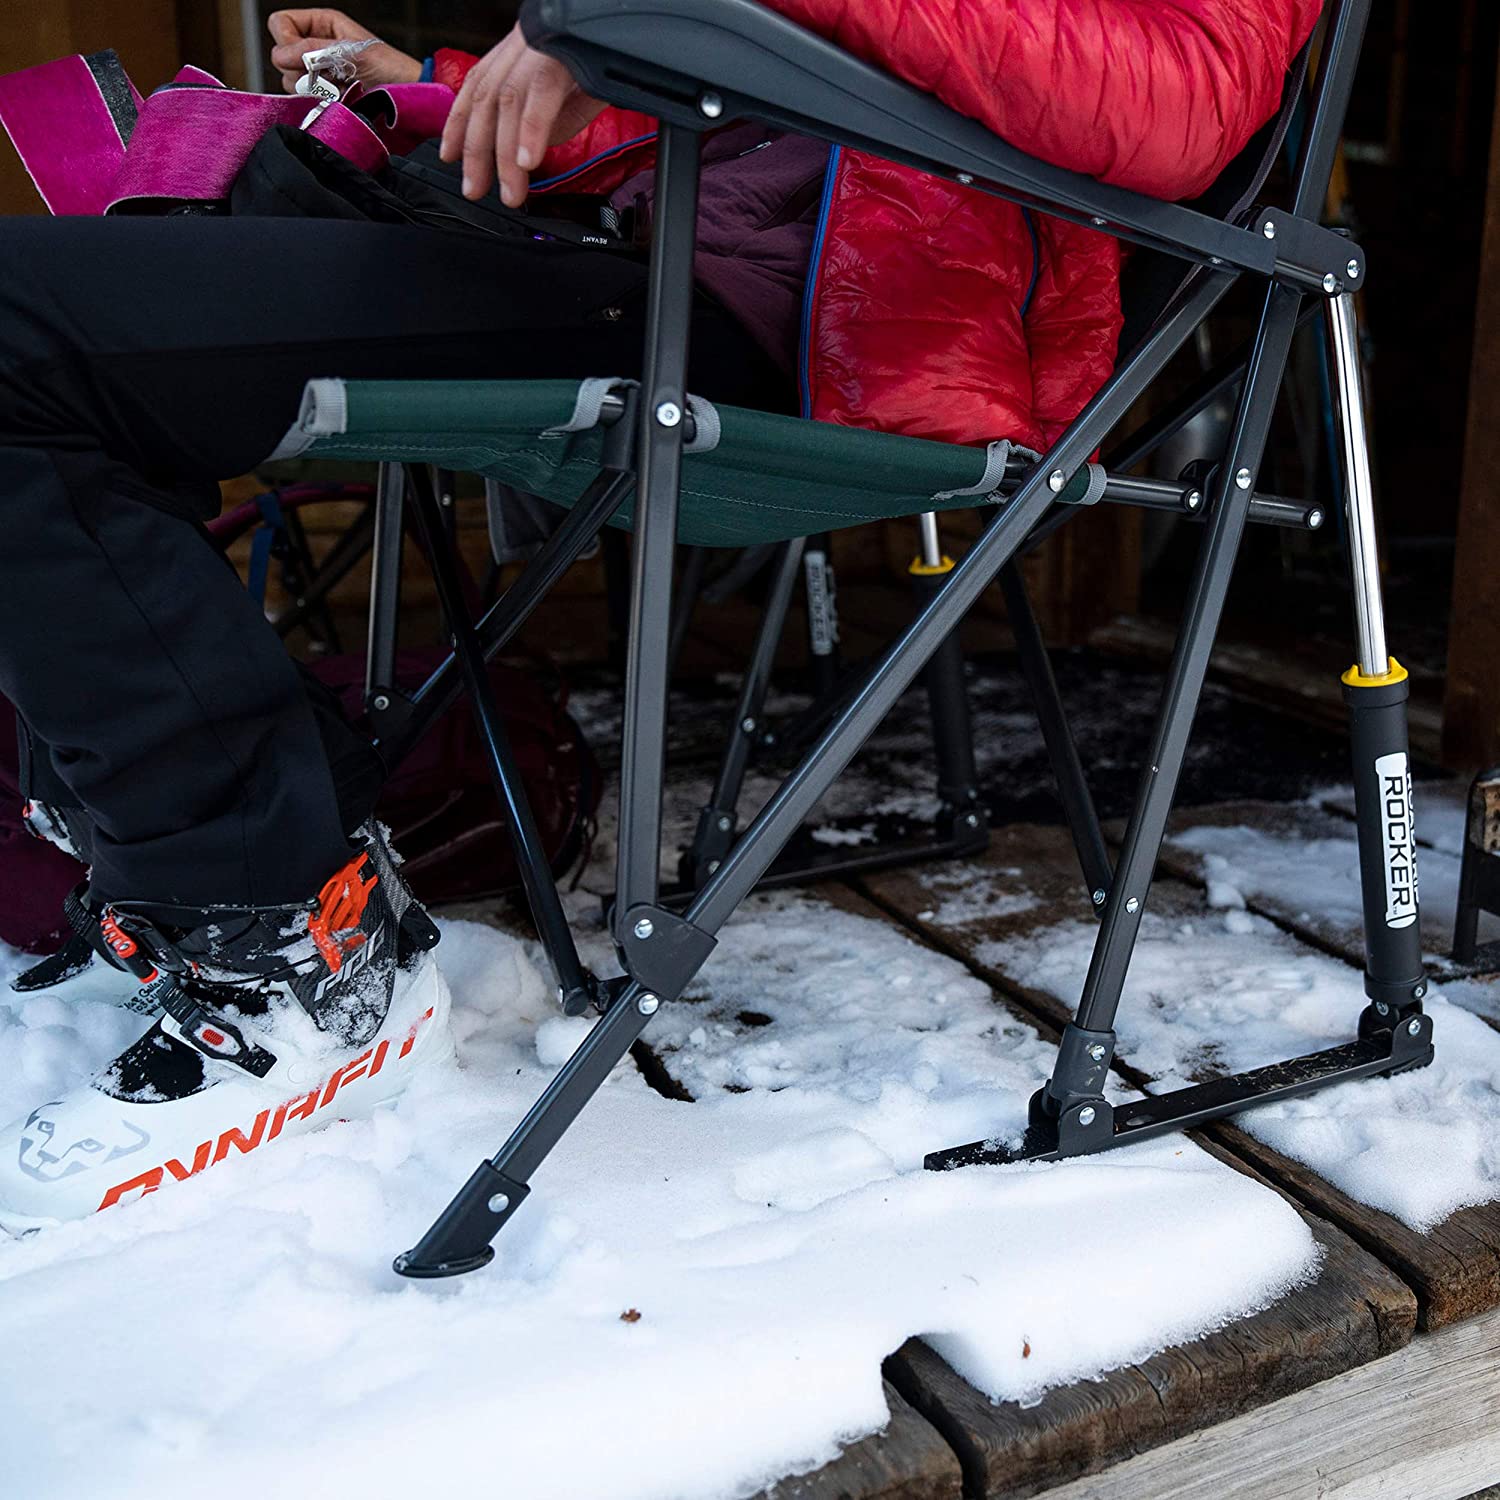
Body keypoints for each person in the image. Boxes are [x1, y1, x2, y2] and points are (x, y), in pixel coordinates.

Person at [0, 0, 1320, 1230]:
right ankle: (229, 885)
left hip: (802, 343)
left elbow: (1175, 104)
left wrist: (632, 14)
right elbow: (753, 110)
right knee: (54, 311)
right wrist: (442, 86)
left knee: (20, 339)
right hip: (637, 261)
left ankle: (282, 941)